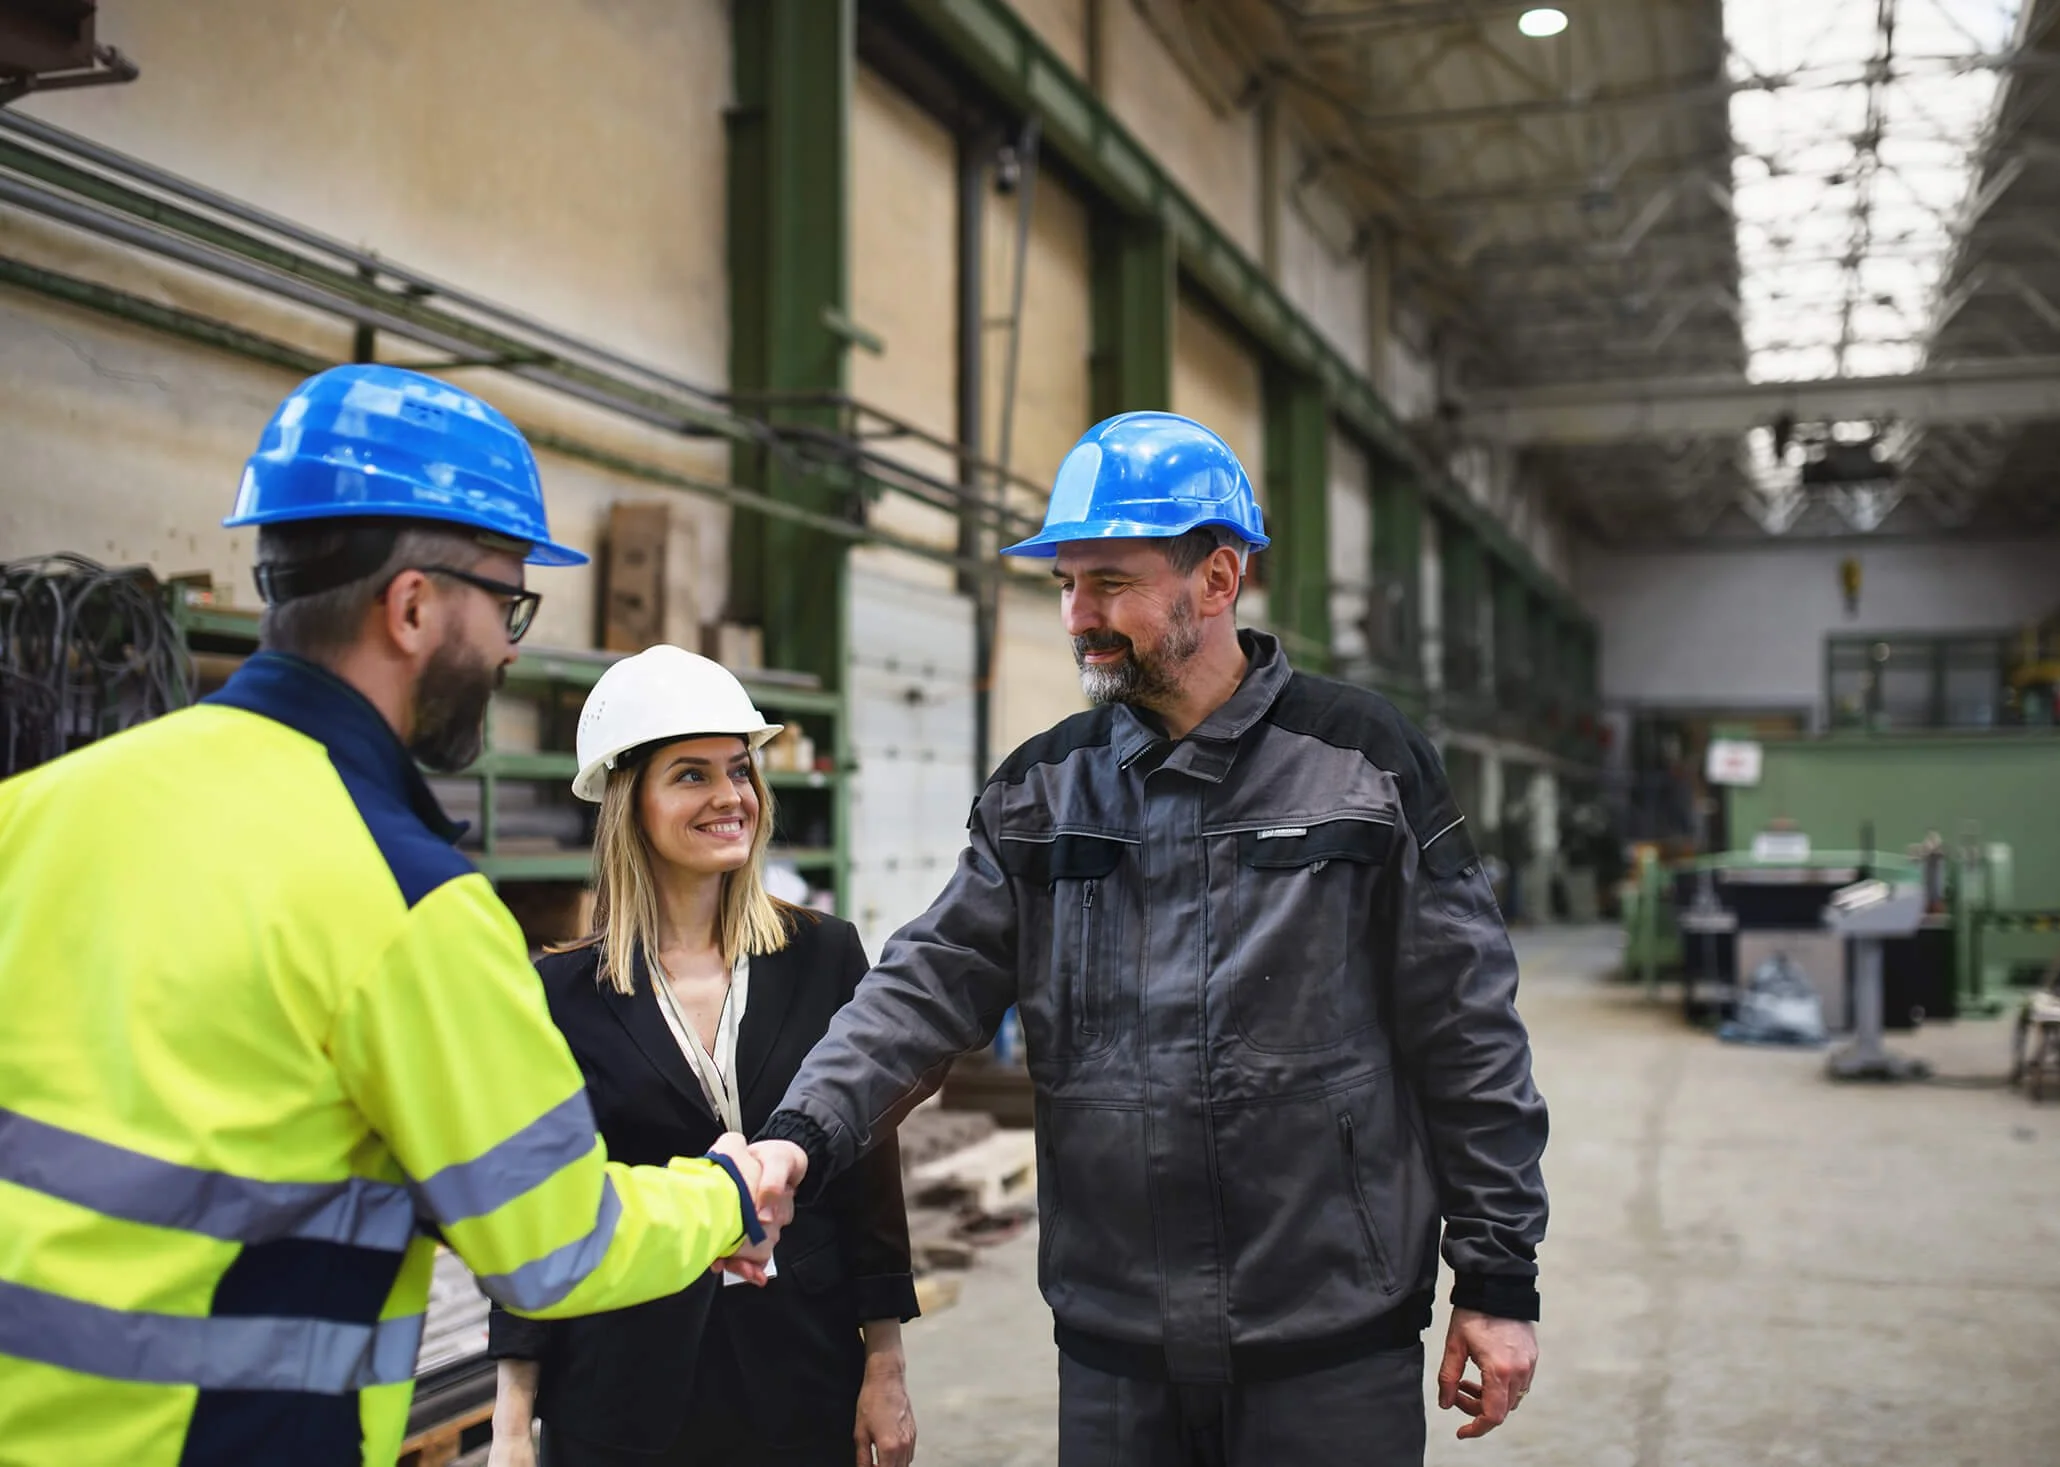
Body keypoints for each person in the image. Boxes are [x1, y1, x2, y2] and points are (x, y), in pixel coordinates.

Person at [0, 365, 779, 1467]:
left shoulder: (35, 812)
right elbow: (553, 1243)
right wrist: (728, 1193)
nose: (511, 647)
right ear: (413, 607)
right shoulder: (404, 899)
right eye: (507, 603)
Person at [748, 411, 1550, 1466]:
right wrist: (797, 1134)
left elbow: (1466, 1032)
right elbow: (924, 988)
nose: (1079, 615)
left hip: (1326, 1340)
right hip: (1116, 1348)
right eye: (1066, 585)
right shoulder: (1043, 788)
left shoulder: (1362, 761)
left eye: (1110, 582)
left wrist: (1495, 1281)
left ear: (1216, 581)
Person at [486, 645, 919, 1467]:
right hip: (619, 1392)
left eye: (740, 770)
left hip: (802, 1378)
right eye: (691, 775)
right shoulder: (560, 994)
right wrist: (512, 1422)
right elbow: (539, 1209)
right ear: (630, 801)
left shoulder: (825, 956)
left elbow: (870, 1179)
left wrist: (885, 1363)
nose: (730, 797)